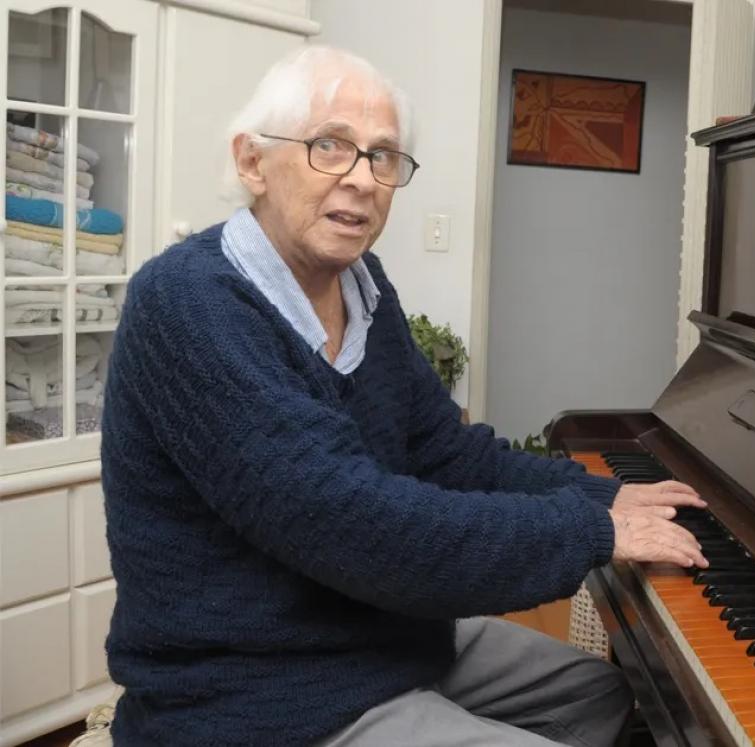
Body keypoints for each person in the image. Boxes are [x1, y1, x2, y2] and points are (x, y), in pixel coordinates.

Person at [100, 46, 707, 746]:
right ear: (251, 162)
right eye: (331, 146)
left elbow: (445, 452)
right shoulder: (187, 302)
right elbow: (351, 522)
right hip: (252, 691)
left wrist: (604, 496)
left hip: (374, 636)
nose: (362, 179)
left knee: (601, 693)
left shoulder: (363, 286)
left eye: (384, 156)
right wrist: (592, 532)